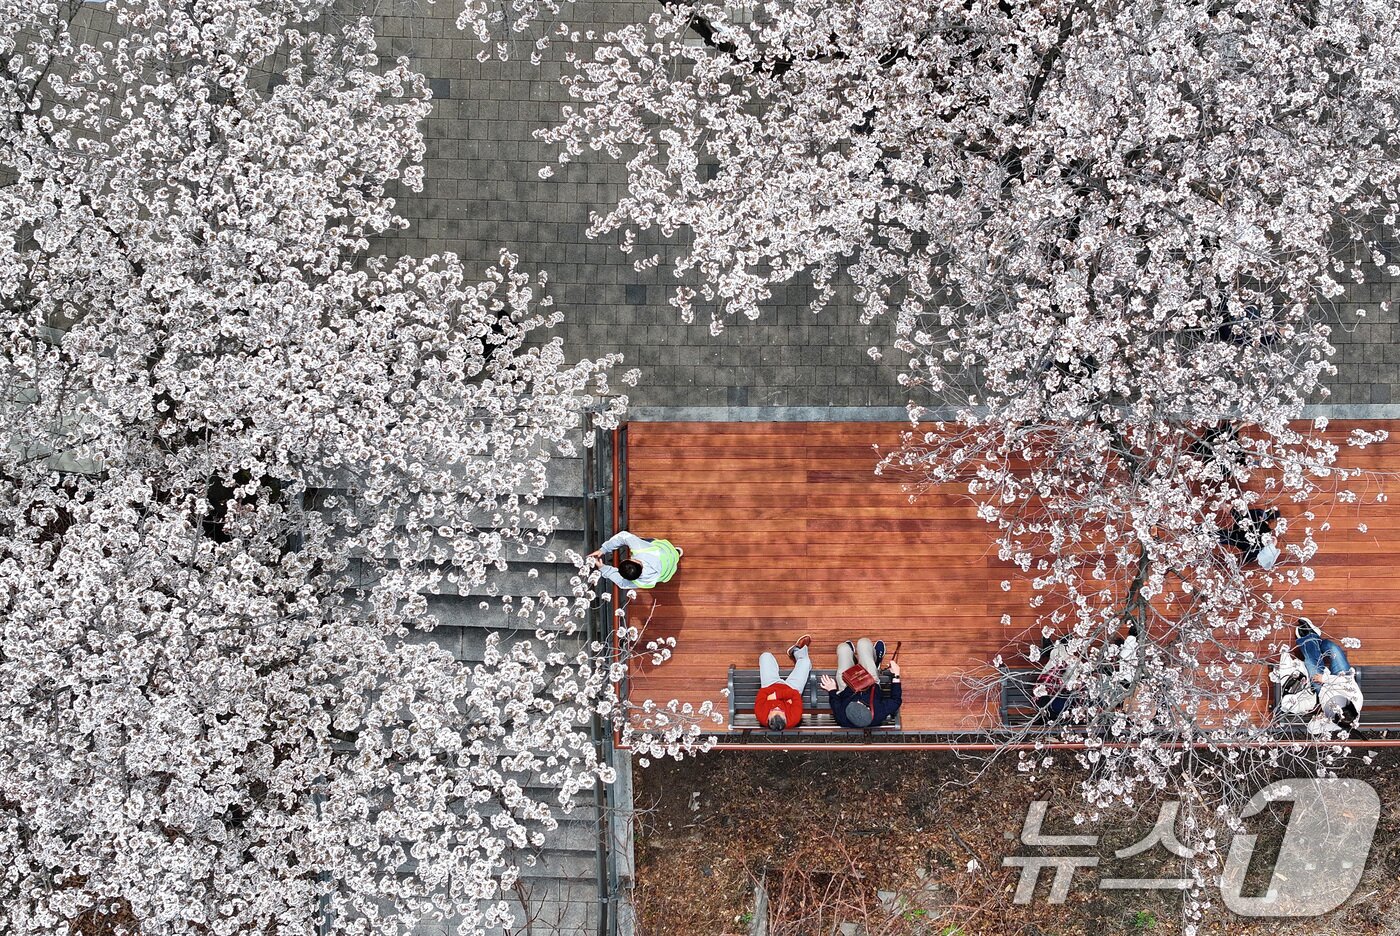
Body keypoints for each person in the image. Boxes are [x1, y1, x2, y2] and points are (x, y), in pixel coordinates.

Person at [1294, 618, 1363, 736]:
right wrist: (1325, 678)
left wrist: (1319, 718)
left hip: (1322, 688)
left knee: (1311, 662)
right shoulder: (1356, 700)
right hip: (1341, 678)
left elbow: (1312, 729)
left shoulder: (1335, 721)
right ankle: (1314, 639)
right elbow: (1344, 681)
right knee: (1330, 647)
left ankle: (1310, 637)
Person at [819, 638, 902, 729]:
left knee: (843, 648)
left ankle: (852, 657)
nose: (858, 700)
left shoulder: (842, 717)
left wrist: (832, 690)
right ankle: (875, 660)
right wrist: (896, 675)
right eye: (860, 703)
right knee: (863, 643)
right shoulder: (879, 713)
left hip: (846, 686)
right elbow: (896, 700)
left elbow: (835, 702)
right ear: (869, 710)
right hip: (870, 681)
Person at [587, 530, 683, 591]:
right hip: (666, 550)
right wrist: (603, 549)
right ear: (636, 561)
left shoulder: (640, 582)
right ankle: (676, 553)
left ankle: (677, 556)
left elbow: (622, 583)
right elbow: (624, 536)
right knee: (644, 541)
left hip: (667, 572)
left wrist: (603, 568)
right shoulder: (640, 549)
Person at [755, 635, 812, 731]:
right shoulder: (794, 718)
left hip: (770, 685)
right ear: (786, 719)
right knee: (805, 662)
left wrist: (787, 699)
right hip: (792, 688)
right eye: (781, 710)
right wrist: (775, 696)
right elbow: (795, 694)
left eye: (774, 710)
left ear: (768, 718)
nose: (777, 707)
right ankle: (796, 650)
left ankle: (791, 655)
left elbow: (762, 692)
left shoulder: (761, 715)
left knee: (765, 656)